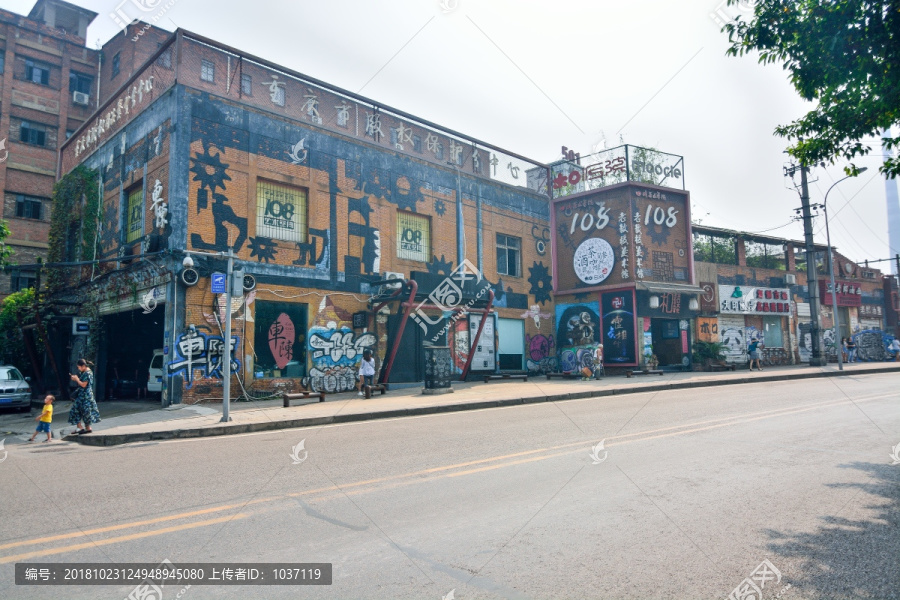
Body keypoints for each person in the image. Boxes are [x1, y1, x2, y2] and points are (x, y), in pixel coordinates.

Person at [68, 359, 100, 434]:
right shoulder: (84, 372)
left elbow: (83, 384)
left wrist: (76, 379)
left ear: (83, 366)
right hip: (82, 395)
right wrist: (75, 378)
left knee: (85, 411)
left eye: (79, 367)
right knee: (76, 410)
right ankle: (81, 427)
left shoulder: (88, 373)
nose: (78, 368)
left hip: (86, 396)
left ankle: (86, 427)